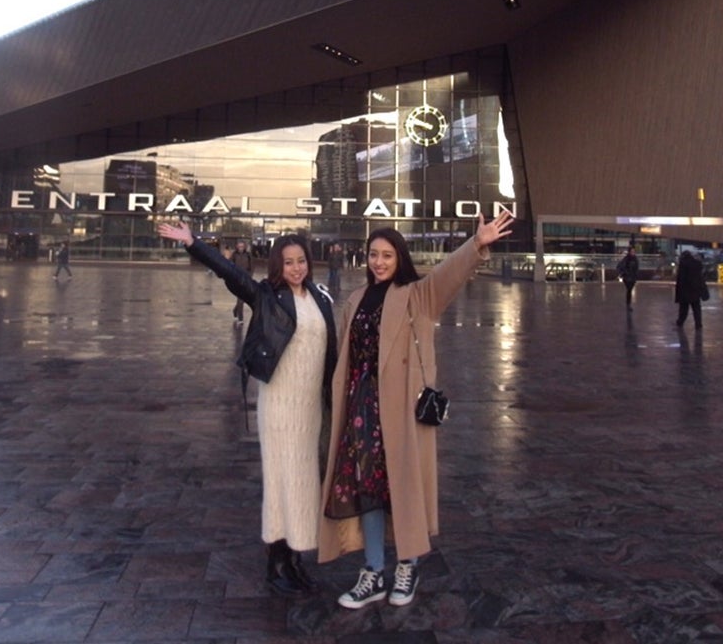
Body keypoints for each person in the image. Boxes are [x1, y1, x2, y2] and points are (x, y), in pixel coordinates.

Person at [321, 211, 514, 610]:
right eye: (374, 254)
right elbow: (344, 356)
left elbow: (449, 274)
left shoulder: (417, 296)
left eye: (387, 255)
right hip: (362, 407)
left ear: (399, 258)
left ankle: (407, 565)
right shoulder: (355, 300)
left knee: (402, 486)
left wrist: (476, 243)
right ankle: (373, 571)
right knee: (368, 488)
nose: (379, 262)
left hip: (401, 410)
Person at [157, 222, 337, 596]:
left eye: (301, 261)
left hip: (310, 408)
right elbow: (233, 275)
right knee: (281, 480)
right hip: (280, 405)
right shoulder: (267, 297)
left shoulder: (319, 298)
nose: (296, 268)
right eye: (288, 263)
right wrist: (194, 243)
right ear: (277, 266)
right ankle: (275, 564)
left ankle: (296, 559)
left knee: (305, 483)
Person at [674, 248, 708, 329]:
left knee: (683, 309)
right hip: (695, 290)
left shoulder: (683, 264)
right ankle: (698, 324)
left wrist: (678, 292)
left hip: (685, 291)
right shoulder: (697, 264)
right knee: (696, 309)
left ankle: (680, 322)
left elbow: (681, 279)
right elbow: (700, 278)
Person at [229, 240, 253, 324]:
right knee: (241, 298)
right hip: (237, 278)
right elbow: (230, 266)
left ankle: (236, 311)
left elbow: (252, 267)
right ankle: (240, 318)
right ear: (237, 247)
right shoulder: (234, 255)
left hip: (246, 278)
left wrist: (250, 276)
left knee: (241, 298)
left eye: (242, 246)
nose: (241, 248)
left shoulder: (248, 255)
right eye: (239, 246)